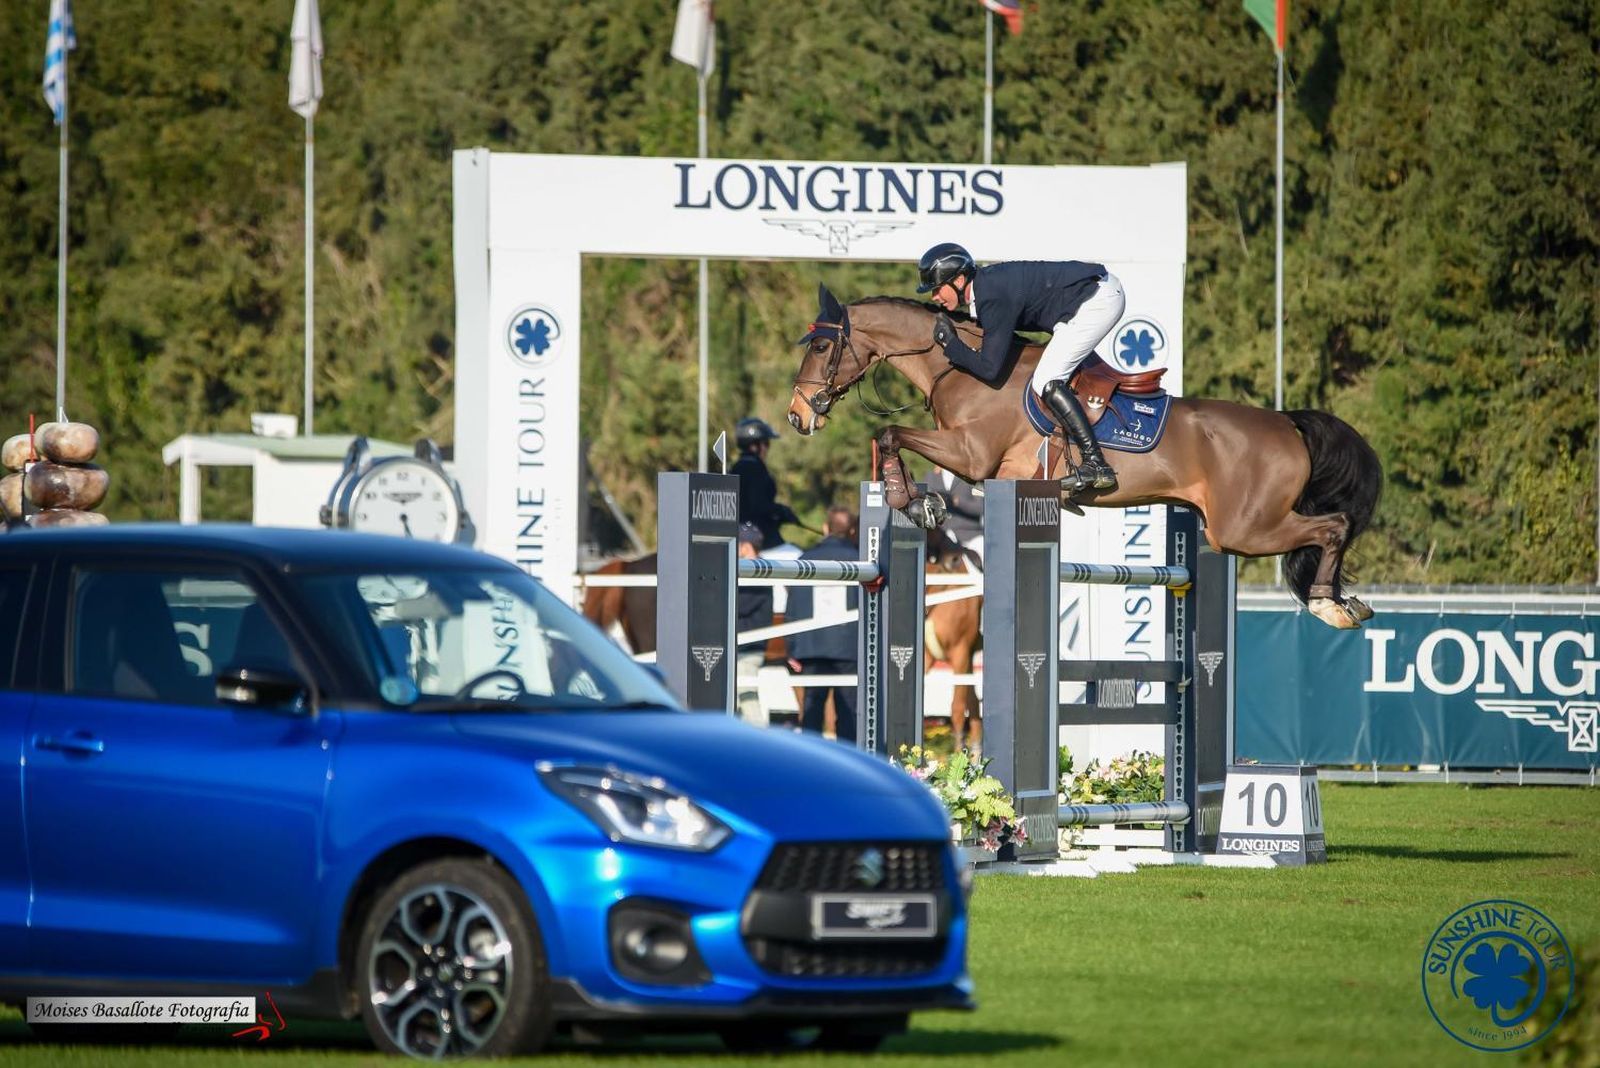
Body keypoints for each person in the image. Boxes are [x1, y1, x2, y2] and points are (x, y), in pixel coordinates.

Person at [917, 242, 1125, 495]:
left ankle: (1096, 463)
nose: (934, 297)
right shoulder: (986, 288)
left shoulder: (991, 296)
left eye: (937, 289)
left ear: (959, 280)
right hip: (1080, 302)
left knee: (1047, 379)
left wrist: (951, 345)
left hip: (1096, 302)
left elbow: (990, 369)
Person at [785, 507, 859, 743]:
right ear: (853, 531)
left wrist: (792, 646)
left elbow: (793, 607)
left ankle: (808, 765)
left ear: (826, 528)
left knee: (812, 710)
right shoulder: (862, 560)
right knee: (848, 711)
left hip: (811, 646)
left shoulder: (805, 560)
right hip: (850, 648)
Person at [730, 417, 800, 552]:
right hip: (757, 536)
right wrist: (781, 512)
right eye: (766, 443)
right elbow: (758, 505)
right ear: (755, 446)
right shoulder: (754, 468)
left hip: (743, 533)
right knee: (796, 555)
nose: (767, 448)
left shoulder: (737, 466)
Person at [734, 522, 772, 727]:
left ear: (745, 546)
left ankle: (760, 738)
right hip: (745, 647)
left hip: (748, 649)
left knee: (747, 697)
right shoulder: (757, 570)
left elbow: (737, 605)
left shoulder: (758, 572)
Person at [924, 465, 984, 565]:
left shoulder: (972, 476)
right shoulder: (931, 476)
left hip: (969, 535)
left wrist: (956, 501)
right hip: (940, 537)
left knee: (985, 556)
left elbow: (982, 507)